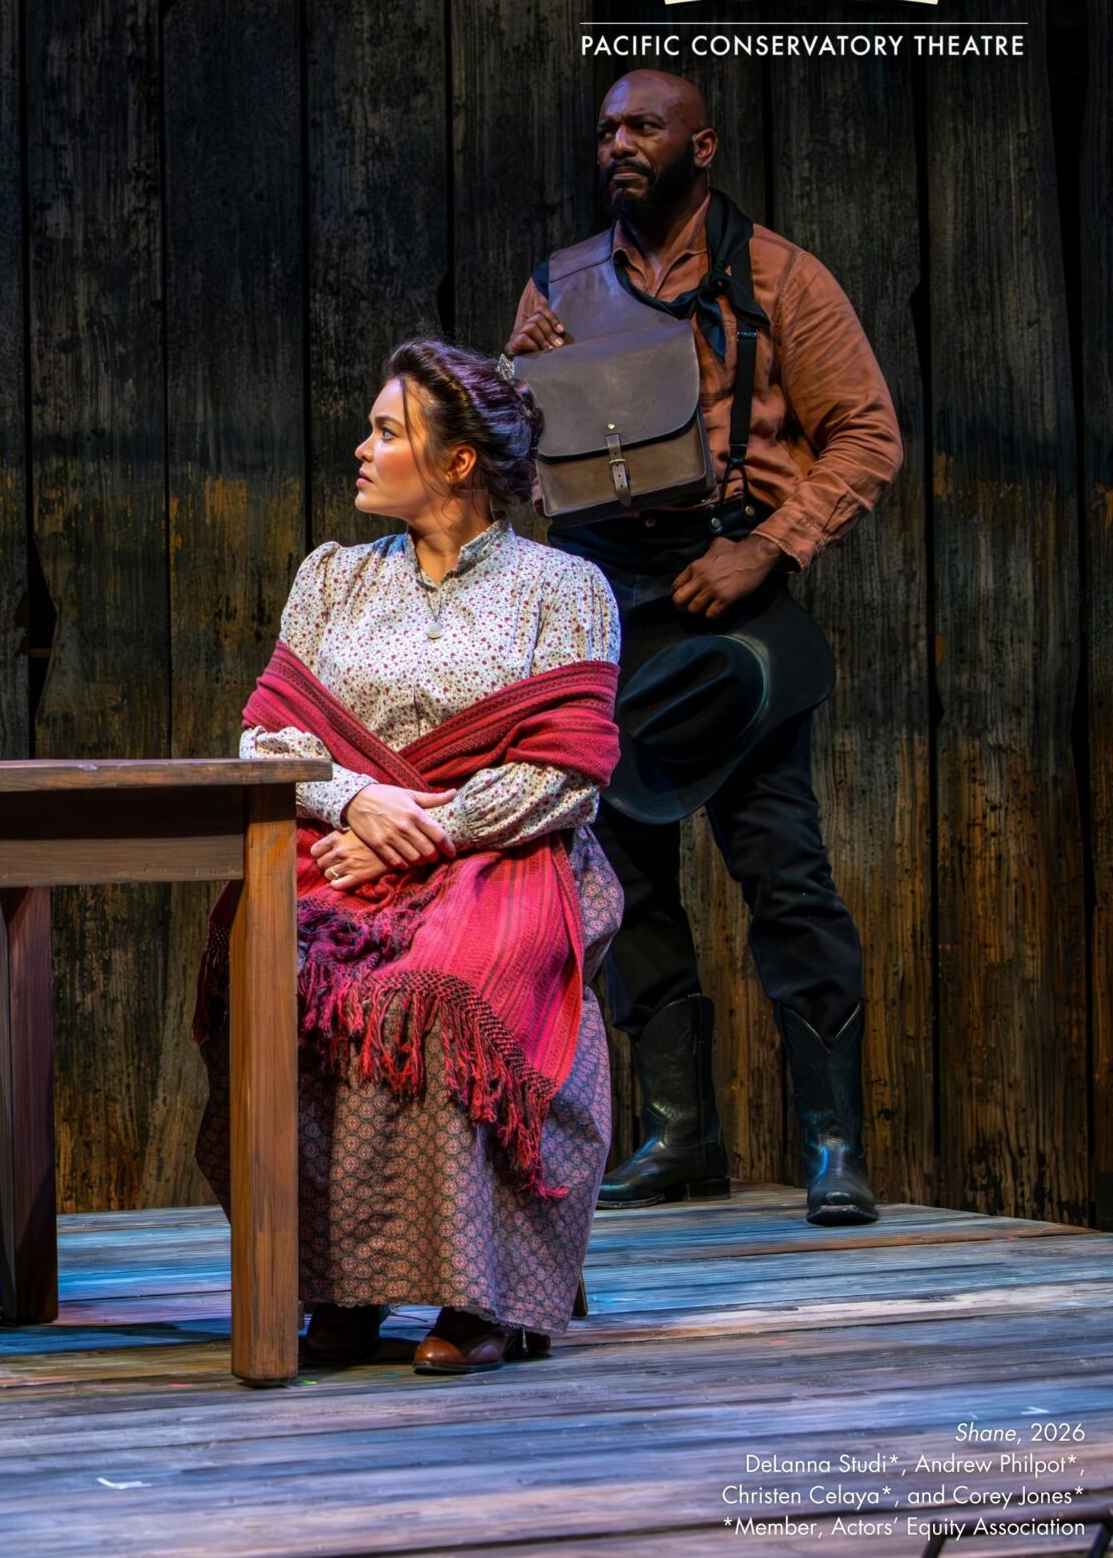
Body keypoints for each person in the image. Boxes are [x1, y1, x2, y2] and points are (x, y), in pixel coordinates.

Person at [508, 69, 901, 1226]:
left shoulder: (781, 277)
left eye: (643, 127)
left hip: (727, 599)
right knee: (622, 877)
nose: (618, 145)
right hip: (605, 607)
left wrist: (768, 548)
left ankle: (834, 1142)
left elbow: (865, 436)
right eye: (605, 131)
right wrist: (521, 383)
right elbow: (519, 477)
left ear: (703, 146)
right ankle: (680, 1135)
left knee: (782, 870)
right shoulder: (560, 284)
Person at [193, 339, 623, 1374]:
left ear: (458, 462)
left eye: (387, 432)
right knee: (286, 978)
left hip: (506, 853)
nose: (362, 447)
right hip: (342, 846)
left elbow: (567, 770)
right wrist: (353, 800)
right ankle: (339, 1285)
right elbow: (268, 740)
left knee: (441, 991)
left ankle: (481, 1292)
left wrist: (428, 828)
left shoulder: (559, 590)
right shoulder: (333, 579)